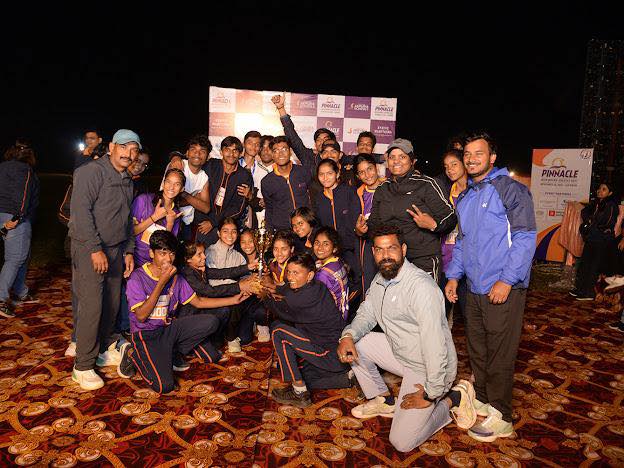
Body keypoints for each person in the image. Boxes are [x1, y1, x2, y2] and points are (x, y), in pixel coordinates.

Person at [337, 225, 474, 452]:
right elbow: (367, 313)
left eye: (391, 248)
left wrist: (431, 394)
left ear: (403, 249)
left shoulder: (421, 288)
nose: (385, 255)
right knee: (358, 343)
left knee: (402, 442)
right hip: (401, 353)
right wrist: (348, 335)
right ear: (373, 252)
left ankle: (453, 398)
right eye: (380, 250)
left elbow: (435, 346)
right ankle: (383, 399)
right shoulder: (380, 279)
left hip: (427, 366)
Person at [445, 131, 536, 442]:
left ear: (492, 157)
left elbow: (525, 238)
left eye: (478, 153)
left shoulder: (510, 190)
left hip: (503, 286)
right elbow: (462, 241)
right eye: (467, 154)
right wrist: (454, 276)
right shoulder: (466, 197)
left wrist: (506, 280)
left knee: (500, 352)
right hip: (474, 287)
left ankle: (502, 416)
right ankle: (483, 398)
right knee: (478, 347)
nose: (471, 159)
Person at [118, 230, 246, 393]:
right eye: (162, 253)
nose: (168, 259)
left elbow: (198, 302)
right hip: (146, 334)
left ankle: (171, 350)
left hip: (168, 329)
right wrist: (161, 283)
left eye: (171, 253)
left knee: (212, 324)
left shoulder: (175, 277)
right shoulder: (137, 277)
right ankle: (132, 353)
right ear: (151, 253)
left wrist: (233, 300)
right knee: (164, 386)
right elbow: (141, 316)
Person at [68, 129, 140, 390]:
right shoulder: (90, 172)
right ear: (111, 147)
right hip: (91, 249)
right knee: (92, 306)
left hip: (116, 250)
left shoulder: (127, 179)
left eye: (134, 149)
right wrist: (94, 248)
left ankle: (102, 350)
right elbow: (80, 213)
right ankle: (82, 366)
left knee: (111, 304)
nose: (128, 153)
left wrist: (129, 250)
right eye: (123, 147)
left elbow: (126, 219)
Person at [263, 253, 350, 407]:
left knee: (278, 331)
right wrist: (275, 287)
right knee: (296, 369)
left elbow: (279, 307)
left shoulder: (301, 299)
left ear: (309, 275)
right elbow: (288, 290)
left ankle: (299, 392)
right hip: (335, 351)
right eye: (289, 272)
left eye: (296, 273)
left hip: (329, 353)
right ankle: (346, 378)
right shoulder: (317, 286)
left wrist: (264, 295)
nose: (290, 277)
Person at [368, 138, 456, 284]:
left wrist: (433, 225)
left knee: (425, 298)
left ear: (411, 161)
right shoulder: (382, 189)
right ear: (387, 161)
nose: (396, 161)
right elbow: (374, 224)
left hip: (423, 259)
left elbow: (450, 217)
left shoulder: (427, 184)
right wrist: (362, 230)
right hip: (393, 261)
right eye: (392, 157)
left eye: (402, 157)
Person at [0, 142, 40, 318]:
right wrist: (17, 218)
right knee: (15, 258)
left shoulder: (2, 167)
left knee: (23, 255)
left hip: (3, 215)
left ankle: (20, 291)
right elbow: (23, 195)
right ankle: (1, 299)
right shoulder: (24, 170)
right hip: (15, 217)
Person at [314, 159, 361, 297]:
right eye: (321, 174)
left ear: (337, 173)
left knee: (355, 284)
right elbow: (319, 225)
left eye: (329, 173)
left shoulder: (349, 192)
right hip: (330, 252)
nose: (325, 178)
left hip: (350, 249)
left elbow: (355, 220)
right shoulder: (319, 198)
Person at [196, 136, 253, 246]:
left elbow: (238, 208)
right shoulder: (211, 165)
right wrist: (175, 156)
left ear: (240, 154)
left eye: (235, 150)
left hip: (227, 227)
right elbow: (192, 161)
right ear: (221, 151)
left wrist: (213, 222)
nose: (231, 154)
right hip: (202, 222)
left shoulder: (244, 176)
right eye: (227, 150)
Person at [205, 217, 251, 353]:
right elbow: (212, 283)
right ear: (218, 233)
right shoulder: (208, 253)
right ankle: (221, 335)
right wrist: (237, 285)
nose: (230, 235)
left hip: (235, 302)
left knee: (246, 338)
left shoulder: (239, 256)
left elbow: (246, 280)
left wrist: (245, 286)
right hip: (214, 297)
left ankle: (231, 336)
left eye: (234, 231)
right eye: (225, 231)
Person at [570, 182, 619, 300]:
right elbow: (584, 212)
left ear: (610, 193)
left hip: (601, 240)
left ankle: (588, 293)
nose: (599, 191)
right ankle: (580, 289)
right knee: (584, 264)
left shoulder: (611, 205)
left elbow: (606, 222)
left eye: (604, 189)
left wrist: (592, 221)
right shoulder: (596, 203)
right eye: (599, 188)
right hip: (591, 238)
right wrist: (589, 220)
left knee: (593, 266)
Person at [131, 169, 185, 267]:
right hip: (133, 260)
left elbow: (166, 248)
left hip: (155, 266)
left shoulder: (176, 215)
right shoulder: (143, 200)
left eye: (177, 184)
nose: (171, 187)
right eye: (168, 182)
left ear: (182, 189)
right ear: (163, 183)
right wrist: (154, 217)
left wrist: (170, 224)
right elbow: (130, 232)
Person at [441, 149, 469, 322]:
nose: (449, 170)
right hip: (446, 258)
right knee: (441, 312)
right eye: (446, 166)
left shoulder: (475, 192)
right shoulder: (444, 193)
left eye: (454, 164)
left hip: (467, 260)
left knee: (469, 313)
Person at [261, 137, 310, 231]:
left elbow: (314, 199)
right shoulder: (267, 182)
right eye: (276, 151)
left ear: (290, 151)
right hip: (283, 230)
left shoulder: (303, 172)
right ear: (272, 155)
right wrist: (270, 232)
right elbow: (269, 209)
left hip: (306, 227)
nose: (280, 154)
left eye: (284, 149)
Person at [168, 135, 211, 242]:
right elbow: (170, 200)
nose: (197, 154)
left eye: (202, 151)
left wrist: (185, 195)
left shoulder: (204, 177)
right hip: (167, 217)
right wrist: (195, 199)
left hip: (186, 223)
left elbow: (206, 208)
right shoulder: (178, 165)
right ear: (187, 153)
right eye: (193, 149)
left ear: (207, 157)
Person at [353, 153, 384, 294]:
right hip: (367, 243)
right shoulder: (357, 194)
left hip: (388, 241)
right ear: (358, 176)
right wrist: (358, 230)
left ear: (376, 168)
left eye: (370, 169)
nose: (367, 175)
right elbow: (354, 224)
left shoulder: (390, 187)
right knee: (370, 284)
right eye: (362, 172)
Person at [237, 228, 270, 343]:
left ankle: (262, 324)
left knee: (260, 311)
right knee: (244, 339)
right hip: (245, 298)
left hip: (260, 298)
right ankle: (252, 322)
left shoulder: (264, 256)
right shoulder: (238, 257)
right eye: (243, 242)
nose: (247, 245)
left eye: (250, 241)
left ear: (257, 241)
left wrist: (266, 274)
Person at [312, 227, 349, 320]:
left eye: (326, 244)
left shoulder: (323, 274)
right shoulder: (338, 261)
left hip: (329, 320)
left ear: (334, 248)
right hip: (342, 313)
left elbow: (316, 302)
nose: (320, 247)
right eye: (317, 243)